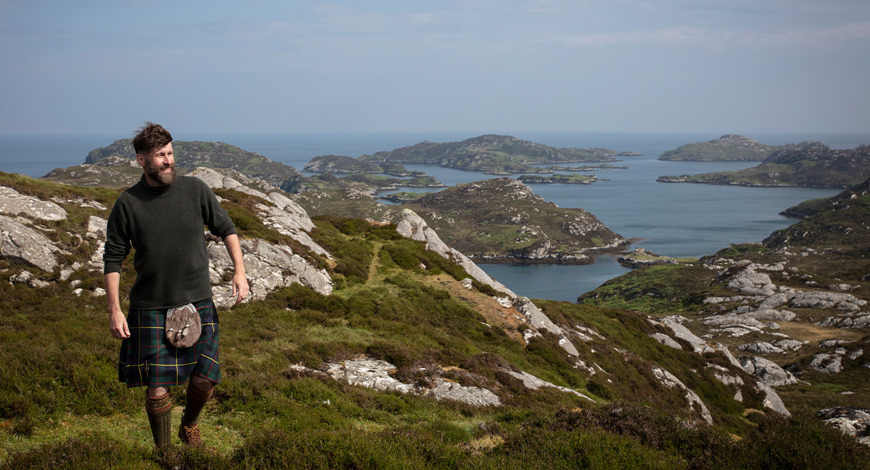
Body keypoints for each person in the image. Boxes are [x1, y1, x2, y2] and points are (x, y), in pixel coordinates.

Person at [104, 122, 249, 447]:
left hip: (198, 301)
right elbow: (113, 258)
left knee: (205, 378)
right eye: (160, 155)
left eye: (170, 153)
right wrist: (114, 310)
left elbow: (226, 228)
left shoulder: (196, 190)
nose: (169, 161)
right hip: (150, 305)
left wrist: (240, 272)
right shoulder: (127, 203)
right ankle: (164, 450)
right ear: (142, 160)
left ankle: (189, 426)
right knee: (157, 386)